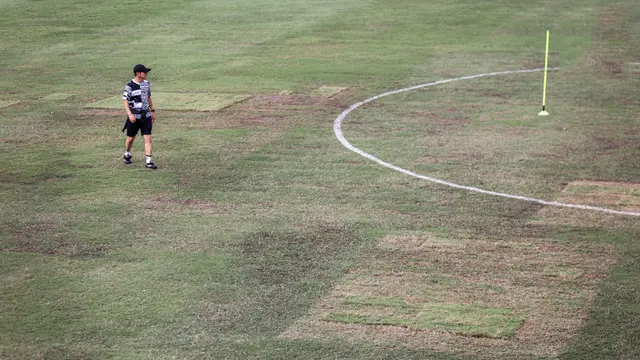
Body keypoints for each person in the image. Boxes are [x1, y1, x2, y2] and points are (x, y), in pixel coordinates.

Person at [122, 64, 157, 169]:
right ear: (138, 73)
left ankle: (148, 161)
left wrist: (152, 111)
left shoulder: (147, 84)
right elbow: (125, 100)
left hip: (146, 116)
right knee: (131, 138)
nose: (146, 74)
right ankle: (127, 153)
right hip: (134, 117)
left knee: (148, 138)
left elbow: (149, 97)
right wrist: (130, 114)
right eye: (144, 72)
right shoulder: (130, 85)